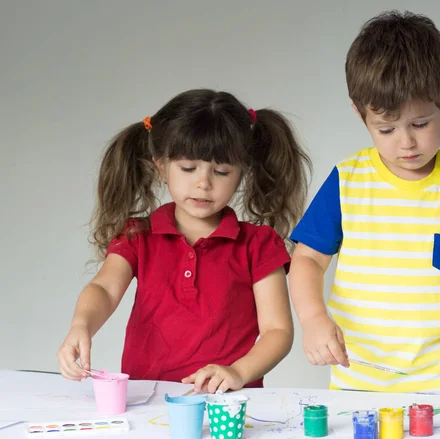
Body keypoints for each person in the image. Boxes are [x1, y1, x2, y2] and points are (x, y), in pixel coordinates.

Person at [288, 11, 440, 402]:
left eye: (420, 124)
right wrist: (313, 319)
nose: (406, 143)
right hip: (360, 382)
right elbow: (308, 259)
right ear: (360, 115)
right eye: (386, 129)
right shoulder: (348, 182)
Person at [57, 89, 312, 393]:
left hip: (228, 402)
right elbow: (104, 288)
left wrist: (238, 372)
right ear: (162, 167)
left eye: (221, 171)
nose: (203, 183)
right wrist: (80, 326)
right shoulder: (139, 235)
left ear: (242, 173)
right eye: (188, 168)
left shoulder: (258, 244)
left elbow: (278, 330)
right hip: (147, 399)